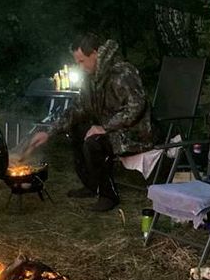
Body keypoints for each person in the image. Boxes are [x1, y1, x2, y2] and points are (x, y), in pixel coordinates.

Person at [28, 34, 152, 212]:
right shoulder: (92, 78)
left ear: (95, 54)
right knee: (77, 128)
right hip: (114, 129)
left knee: (93, 142)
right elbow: (78, 109)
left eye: (81, 61)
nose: (80, 66)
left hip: (136, 132)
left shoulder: (122, 73)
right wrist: (49, 131)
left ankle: (108, 196)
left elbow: (136, 107)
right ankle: (92, 185)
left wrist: (105, 127)